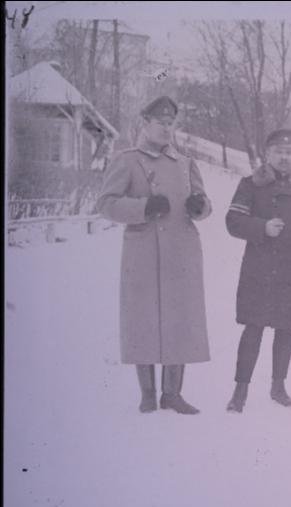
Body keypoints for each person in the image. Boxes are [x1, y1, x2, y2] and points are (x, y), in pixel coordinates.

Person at [97, 96, 212, 415]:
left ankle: (173, 394)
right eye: (159, 122)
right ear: (144, 124)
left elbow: (205, 204)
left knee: (180, 319)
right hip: (143, 251)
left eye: (170, 123)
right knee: (143, 319)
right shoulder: (127, 160)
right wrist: (143, 208)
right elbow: (106, 204)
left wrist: (199, 207)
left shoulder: (186, 163)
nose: (166, 128)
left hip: (182, 253)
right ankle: (147, 393)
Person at [225, 129, 291, 413]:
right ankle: (240, 391)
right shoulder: (251, 184)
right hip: (259, 271)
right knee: (253, 329)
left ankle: (278, 386)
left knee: (286, 330)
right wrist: (261, 227)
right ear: (268, 154)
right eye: (278, 152)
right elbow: (233, 221)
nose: (284, 157)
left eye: (289, 152)